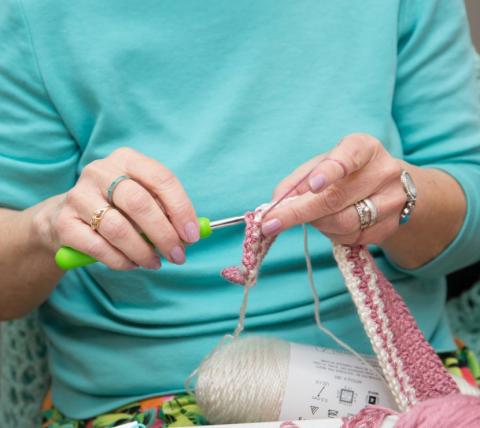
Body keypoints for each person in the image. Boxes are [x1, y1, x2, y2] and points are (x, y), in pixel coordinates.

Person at [1, 0, 479, 426]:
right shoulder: (31, 12)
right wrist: (47, 225)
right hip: (145, 398)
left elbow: (469, 184)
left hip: (403, 375)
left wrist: (403, 200)